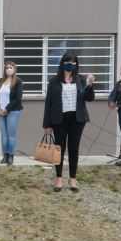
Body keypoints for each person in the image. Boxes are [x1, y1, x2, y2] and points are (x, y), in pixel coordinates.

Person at [42, 52, 96, 192]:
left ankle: (73, 179)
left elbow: (89, 98)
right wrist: (46, 124)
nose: (70, 64)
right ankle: (58, 178)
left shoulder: (81, 80)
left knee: (74, 148)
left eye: (73, 62)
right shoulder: (54, 81)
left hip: (77, 119)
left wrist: (90, 86)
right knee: (59, 149)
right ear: (62, 63)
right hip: (59, 119)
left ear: (76, 64)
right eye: (67, 61)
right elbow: (49, 103)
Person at [0, 61, 23, 166]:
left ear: (14, 69)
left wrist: (7, 109)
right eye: (7, 67)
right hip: (0, 112)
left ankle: (11, 156)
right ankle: (5, 156)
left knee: (11, 135)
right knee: (4, 135)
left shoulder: (18, 81)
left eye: (11, 67)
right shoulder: (1, 81)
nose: (9, 69)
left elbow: (18, 99)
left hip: (13, 111)